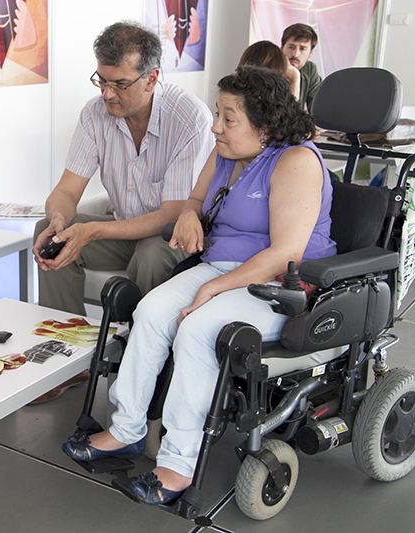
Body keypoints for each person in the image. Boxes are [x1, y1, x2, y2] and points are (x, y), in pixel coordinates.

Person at [62, 65, 336, 505]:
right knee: (150, 312)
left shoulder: (296, 161)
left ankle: (178, 463)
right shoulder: (226, 151)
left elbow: (286, 254)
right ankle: (127, 429)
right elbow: (193, 199)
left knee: (198, 330)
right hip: (220, 267)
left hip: (280, 283)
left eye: (229, 118)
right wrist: (190, 213)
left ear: (264, 125)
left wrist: (214, 288)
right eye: (217, 114)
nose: (216, 127)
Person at [30, 21, 213, 404]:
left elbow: (172, 214)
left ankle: (140, 365)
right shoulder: (95, 113)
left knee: (149, 252)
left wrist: (94, 232)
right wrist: (62, 221)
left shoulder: (189, 118)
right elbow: (66, 190)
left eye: (120, 84)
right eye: (102, 80)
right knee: (47, 229)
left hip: (174, 238)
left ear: (152, 78)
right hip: (122, 229)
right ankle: (70, 358)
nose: (108, 93)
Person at [280, 23, 322, 111]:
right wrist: (295, 78)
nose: (295, 54)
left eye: (302, 49)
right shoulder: (269, 67)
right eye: (291, 47)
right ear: (281, 48)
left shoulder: (309, 69)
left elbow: (318, 110)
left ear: (310, 54)